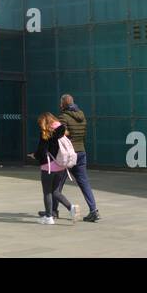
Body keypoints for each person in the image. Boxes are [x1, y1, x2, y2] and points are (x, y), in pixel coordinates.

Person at [57, 94, 99, 222]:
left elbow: (61, 136)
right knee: (84, 182)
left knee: (57, 185)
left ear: (64, 104)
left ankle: (53, 211)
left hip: (69, 154)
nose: (59, 105)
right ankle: (93, 210)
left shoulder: (63, 117)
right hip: (81, 151)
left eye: (60, 103)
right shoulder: (82, 115)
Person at [33, 112, 76, 224]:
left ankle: (49, 217)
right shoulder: (62, 131)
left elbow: (41, 151)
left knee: (47, 192)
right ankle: (71, 207)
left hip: (48, 167)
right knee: (56, 192)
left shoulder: (47, 133)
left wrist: (34, 155)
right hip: (60, 166)